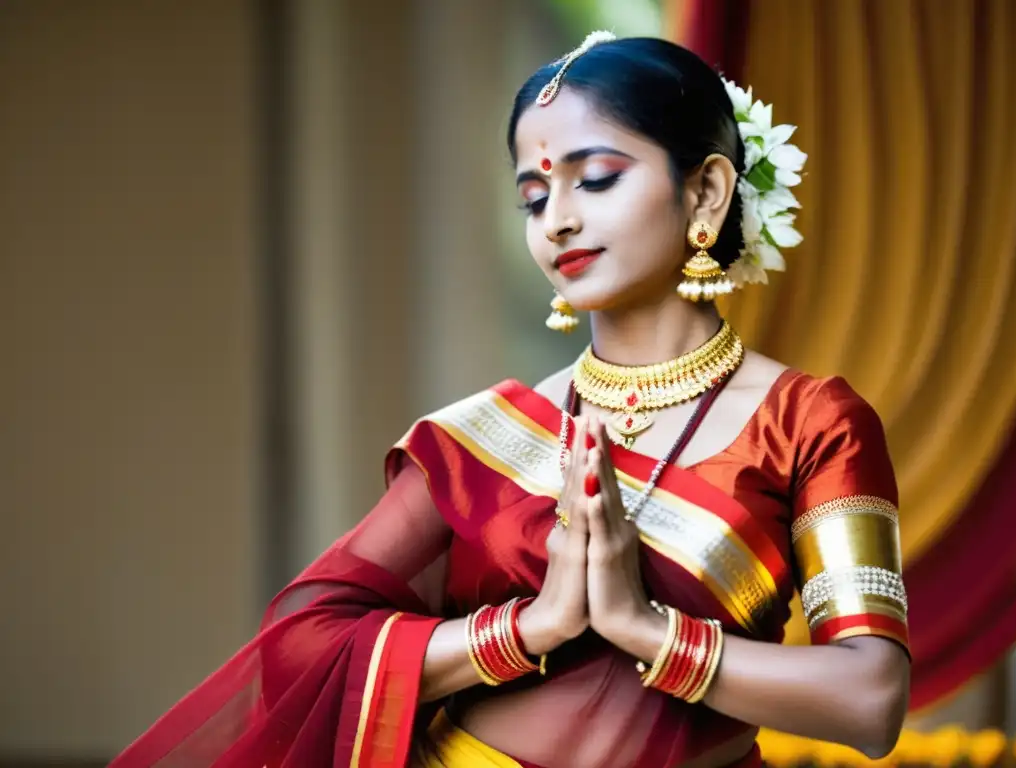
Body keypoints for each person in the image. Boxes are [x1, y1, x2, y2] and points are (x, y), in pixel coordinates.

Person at [111, 33, 910, 768]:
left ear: (705, 193)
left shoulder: (811, 425)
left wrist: (644, 627)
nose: (558, 220)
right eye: (533, 196)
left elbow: (870, 700)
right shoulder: (481, 439)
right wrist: (530, 627)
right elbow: (303, 646)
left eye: (596, 179)